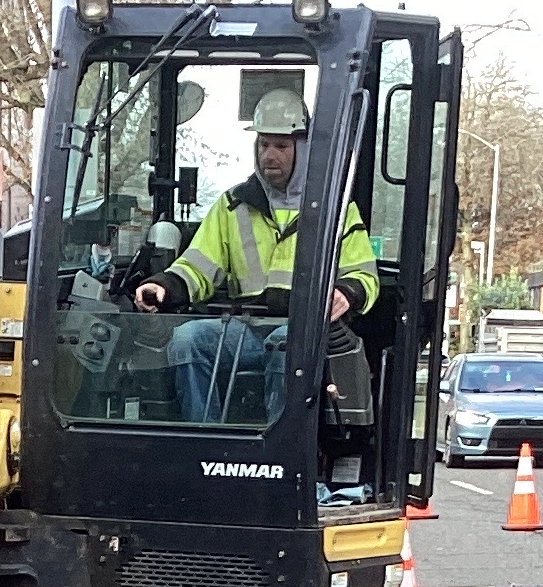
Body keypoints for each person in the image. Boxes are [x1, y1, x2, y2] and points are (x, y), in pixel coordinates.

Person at [130, 86, 377, 424]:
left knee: (284, 345)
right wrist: (164, 286)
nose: (269, 155)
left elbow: (364, 274)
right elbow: (198, 265)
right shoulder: (233, 205)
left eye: (281, 146)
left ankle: (281, 441)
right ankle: (205, 437)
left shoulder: (336, 210)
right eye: (264, 144)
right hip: (244, 330)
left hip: (300, 330)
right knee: (187, 340)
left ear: (303, 148)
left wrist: (346, 293)